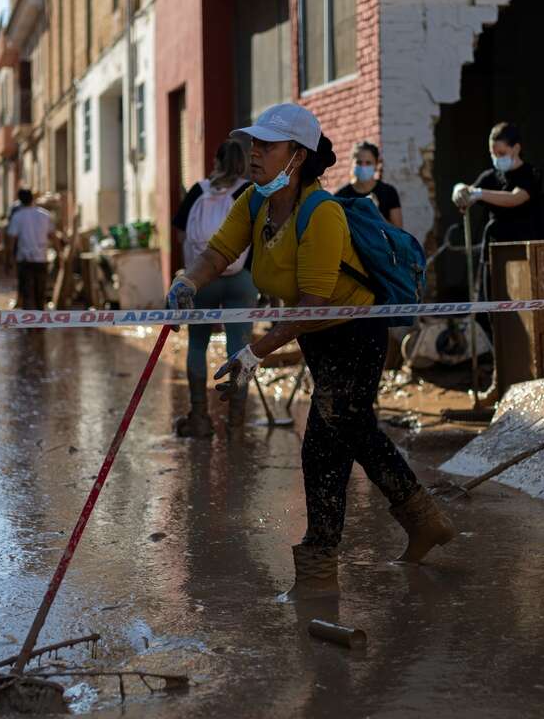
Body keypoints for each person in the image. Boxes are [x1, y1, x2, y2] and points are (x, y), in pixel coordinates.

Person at [165, 104, 455, 599]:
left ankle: (318, 571)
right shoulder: (255, 202)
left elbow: (313, 305)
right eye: (253, 144)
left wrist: (253, 354)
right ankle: (425, 520)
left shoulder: (320, 214)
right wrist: (188, 280)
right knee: (354, 430)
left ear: (296, 157)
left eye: (266, 146)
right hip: (316, 335)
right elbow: (219, 253)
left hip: (354, 332)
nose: (254, 154)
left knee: (323, 442)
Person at [168, 139, 256, 437]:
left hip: (202, 280)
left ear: (215, 161)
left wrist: (191, 269)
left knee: (197, 345)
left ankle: (199, 418)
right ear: (244, 162)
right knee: (240, 349)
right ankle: (235, 422)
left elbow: (180, 231)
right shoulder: (249, 191)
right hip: (241, 280)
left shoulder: (198, 191)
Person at [451, 122, 543, 243]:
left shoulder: (530, 174)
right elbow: (469, 192)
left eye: (501, 153)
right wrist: (459, 189)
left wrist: (480, 194)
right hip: (494, 247)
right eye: (493, 154)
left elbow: (514, 198)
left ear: (516, 148)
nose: (497, 158)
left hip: (524, 246)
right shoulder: (490, 176)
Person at [6, 188, 56, 311]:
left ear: (20, 200)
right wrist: (59, 252)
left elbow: (11, 239)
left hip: (24, 259)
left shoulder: (17, 216)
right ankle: (39, 323)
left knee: (27, 292)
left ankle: (29, 324)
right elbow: (53, 235)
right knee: (40, 291)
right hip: (41, 258)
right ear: (32, 198)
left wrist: (9, 258)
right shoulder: (44, 215)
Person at [334, 141, 403, 228]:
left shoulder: (389, 192)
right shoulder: (341, 197)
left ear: (376, 165)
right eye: (359, 162)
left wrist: (376, 213)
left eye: (368, 163)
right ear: (352, 163)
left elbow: (398, 232)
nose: (363, 167)